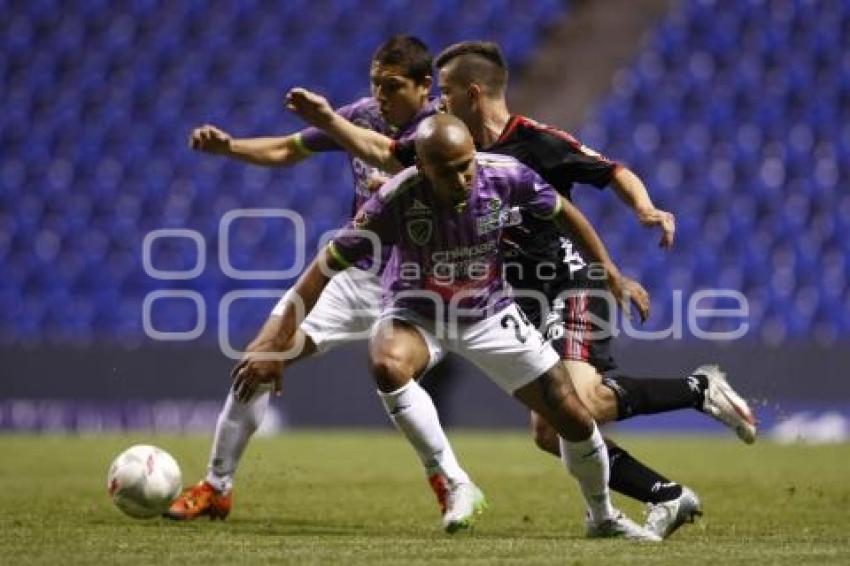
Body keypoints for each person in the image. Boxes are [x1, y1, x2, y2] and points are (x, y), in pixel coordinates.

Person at [284, 40, 757, 539]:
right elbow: (383, 150)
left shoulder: (534, 141)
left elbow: (611, 170)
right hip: (514, 299)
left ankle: (698, 390)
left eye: (445, 92)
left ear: (472, 93)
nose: (438, 103)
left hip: (566, 283)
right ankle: (666, 495)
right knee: (550, 431)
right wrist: (330, 121)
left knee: (585, 401)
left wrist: (643, 209)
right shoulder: (446, 146)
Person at [232, 113, 661, 541]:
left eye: (466, 166)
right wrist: (273, 344)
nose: (460, 179)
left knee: (572, 416)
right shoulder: (394, 201)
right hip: (418, 313)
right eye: (447, 171)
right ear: (422, 166)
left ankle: (602, 516)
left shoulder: (507, 176)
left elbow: (564, 210)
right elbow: (319, 271)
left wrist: (609, 271)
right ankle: (454, 482)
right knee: (387, 363)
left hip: (488, 312)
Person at [168, 36, 485, 533]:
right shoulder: (360, 114)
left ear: (425, 87)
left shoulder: (442, 132)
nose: (380, 95)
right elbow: (287, 148)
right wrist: (229, 147)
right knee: (258, 359)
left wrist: (329, 121)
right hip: (356, 274)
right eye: (376, 84)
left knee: (393, 373)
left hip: (418, 281)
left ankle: (450, 479)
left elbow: (386, 155)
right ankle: (216, 486)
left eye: (393, 86)